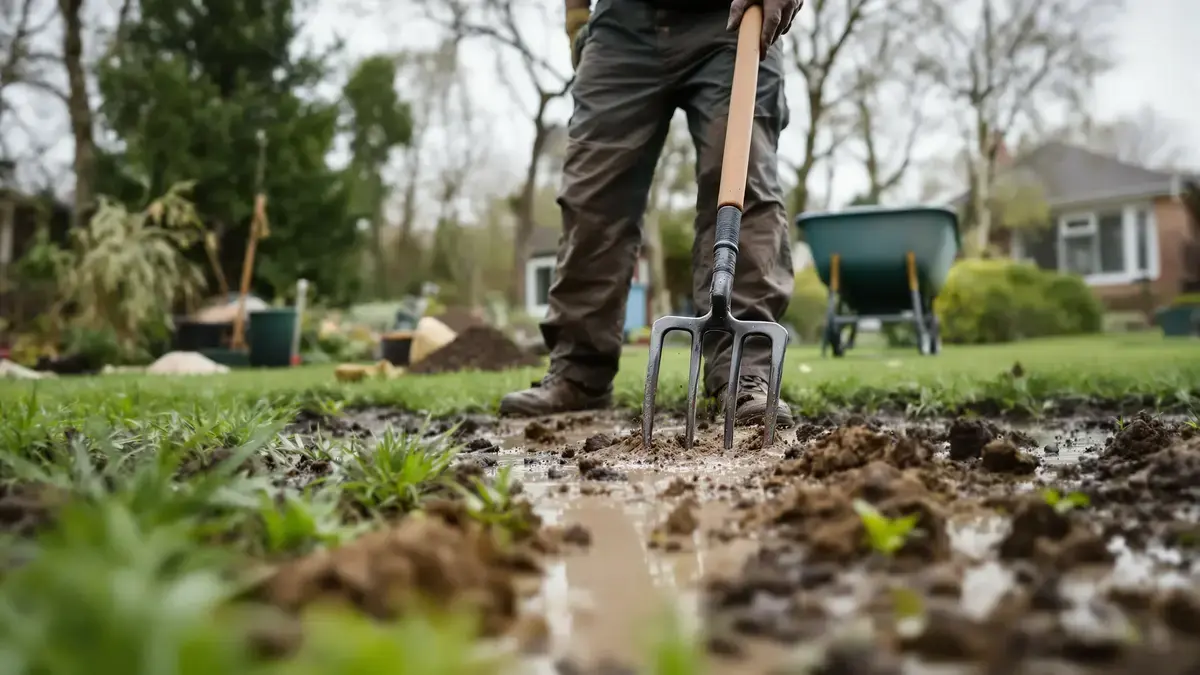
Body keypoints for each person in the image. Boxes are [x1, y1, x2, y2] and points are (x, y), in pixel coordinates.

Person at [500, 0, 803, 428]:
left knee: (743, 181)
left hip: (734, 17)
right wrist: (577, 19)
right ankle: (579, 373)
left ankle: (744, 371)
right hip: (623, 24)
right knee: (592, 198)